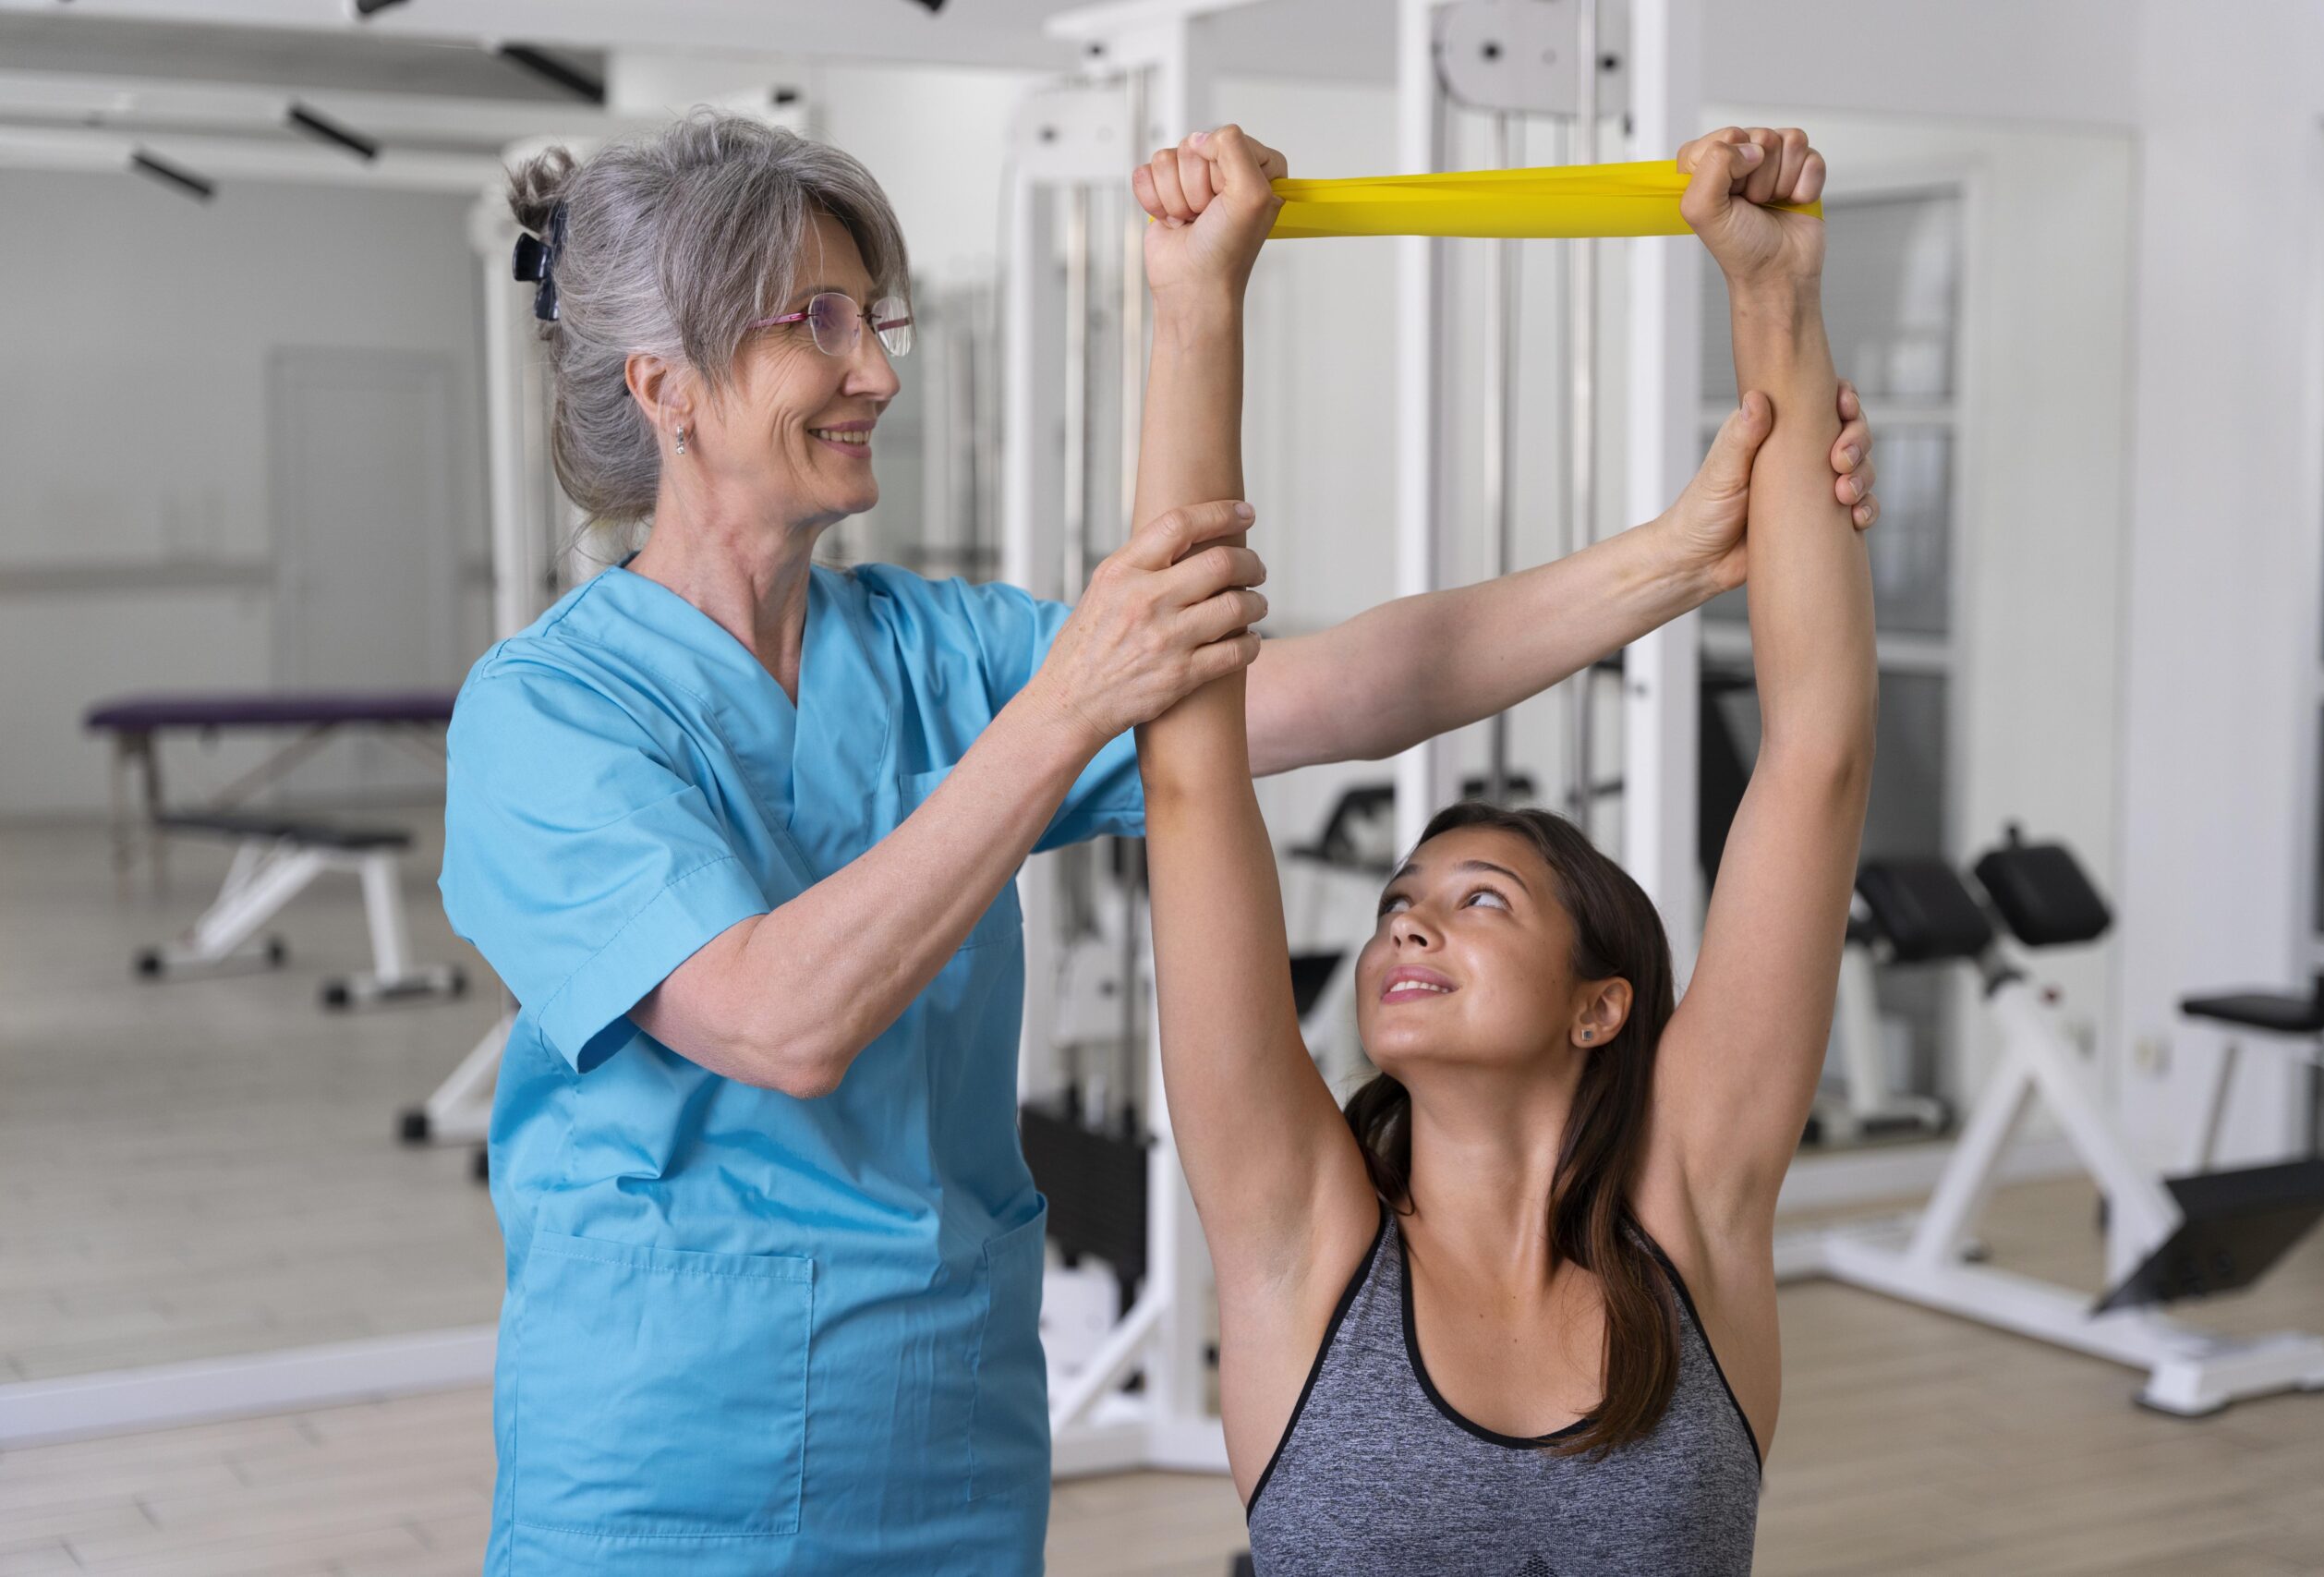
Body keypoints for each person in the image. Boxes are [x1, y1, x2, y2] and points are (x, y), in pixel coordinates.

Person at [438, 111, 1882, 1577]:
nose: (874, 367)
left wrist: (1683, 554)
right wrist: (1068, 705)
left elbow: (1344, 690)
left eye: (875, 318)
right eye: (818, 323)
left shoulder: (936, 653)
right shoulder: (548, 717)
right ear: (663, 385)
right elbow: (778, 1018)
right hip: (668, 1456)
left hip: (946, 1429)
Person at [1125, 123, 1870, 1576]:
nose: (1408, 926)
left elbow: (1819, 751)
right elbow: (1195, 776)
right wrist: (1195, 307)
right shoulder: (1300, 1239)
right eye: (1404, 903)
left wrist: (1774, 296)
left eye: (1479, 901)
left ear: (1604, 1006)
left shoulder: (1693, 1213)